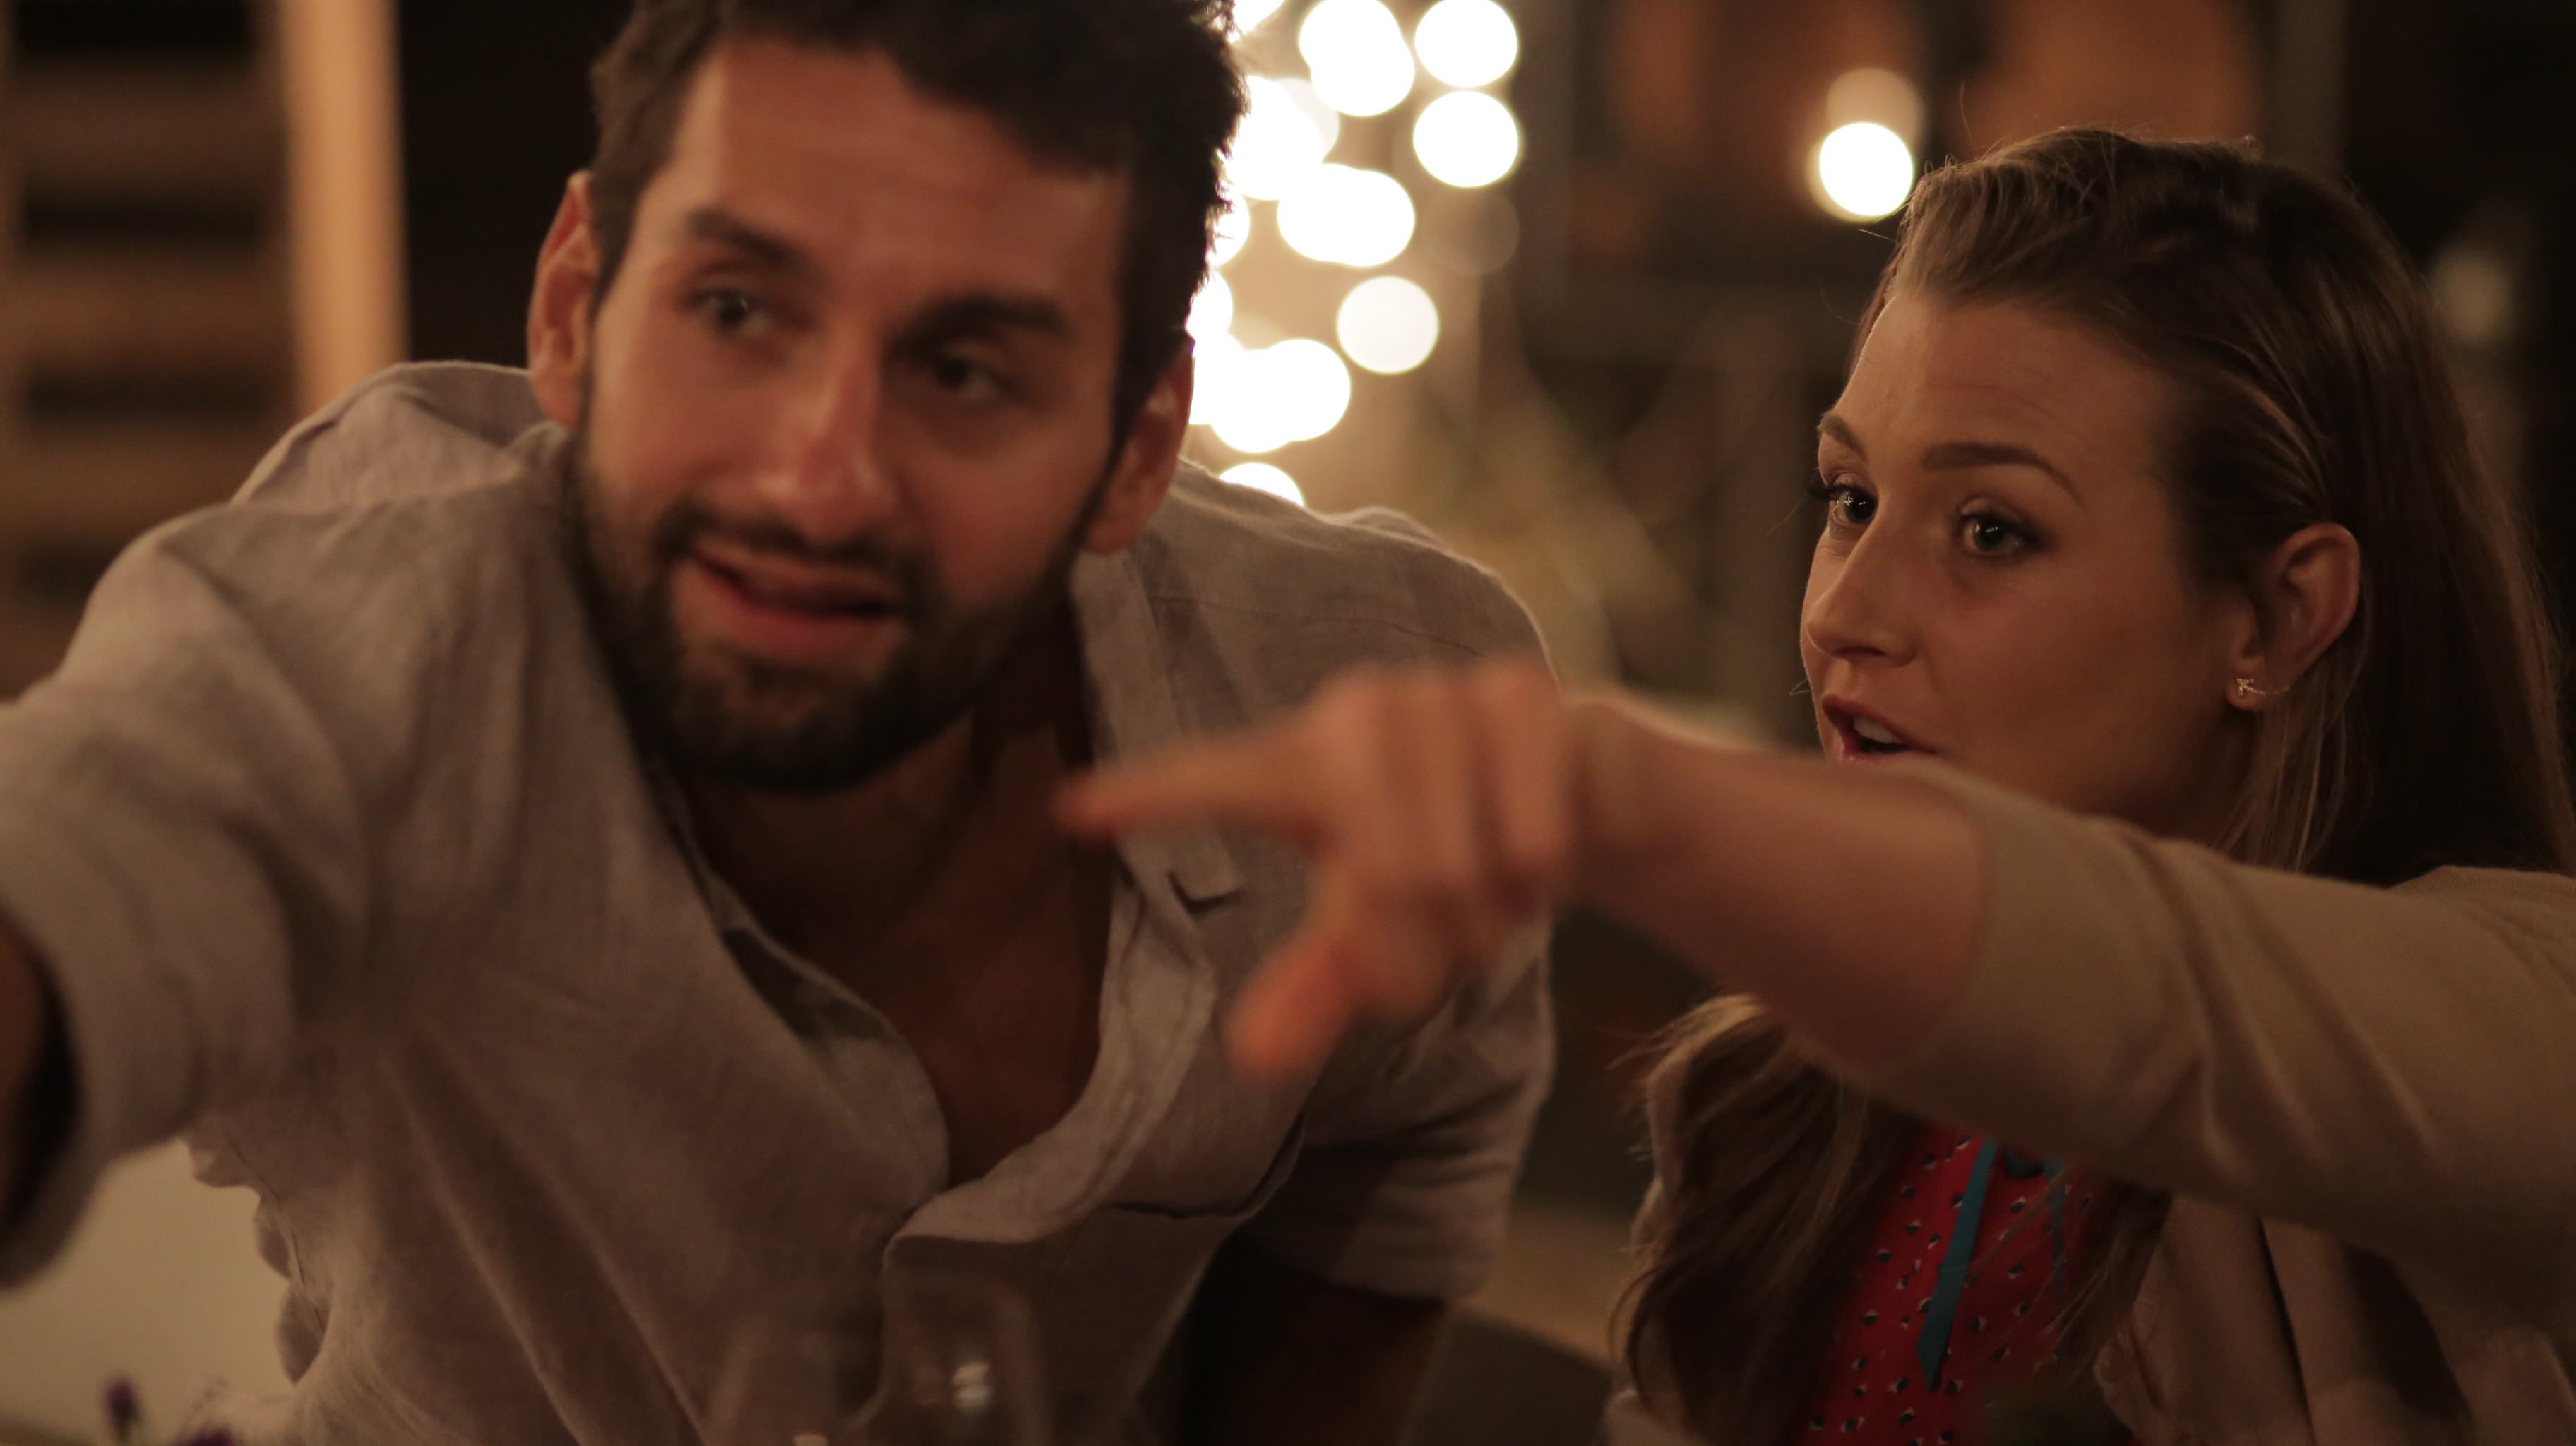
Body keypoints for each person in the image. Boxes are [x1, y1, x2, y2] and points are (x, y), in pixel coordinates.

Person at [0, 1, 1555, 1442]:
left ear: (1139, 444)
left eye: (964, 370)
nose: (818, 480)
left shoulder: (1363, 701)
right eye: (738, 309)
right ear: (576, 304)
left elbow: (1416, 1122)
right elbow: (89, 836)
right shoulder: (375, 622)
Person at [1067, 129, 2576, 1444]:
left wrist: (1619, 793)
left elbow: (2161, 1001)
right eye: (1850, 499)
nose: (1848, 612)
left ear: (2277, 619)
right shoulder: (1769, 1113)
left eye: (1991, 531)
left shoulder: (2512, 1014)